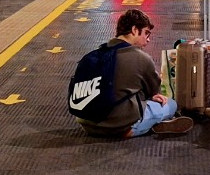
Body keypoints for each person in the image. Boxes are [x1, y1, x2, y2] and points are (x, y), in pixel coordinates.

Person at [75, 9, 193, 137]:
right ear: (135, 30)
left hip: (87, 124)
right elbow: (154, 92)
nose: (147, 40)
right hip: (119, 128)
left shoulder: (94, 55)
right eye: (146, 33)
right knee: (170, 104)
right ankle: (149, 125)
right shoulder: (140, 57)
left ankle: (151, 124)